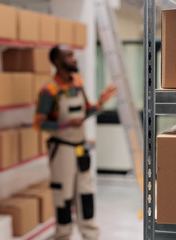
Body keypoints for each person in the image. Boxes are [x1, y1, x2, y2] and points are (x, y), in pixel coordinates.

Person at [34, 45, 117, 240]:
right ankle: (63, 235)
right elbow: (39, 124)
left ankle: (90, 234)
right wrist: (64, 123)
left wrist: (99, 104)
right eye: (69, 56)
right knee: (62, 197)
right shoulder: (49, 91)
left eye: (73, 55)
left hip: (80, 148)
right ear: (57, 61)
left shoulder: (77, 84)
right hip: (61, 149)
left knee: (86, 194)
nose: (74, 59)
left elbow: (85, 112)